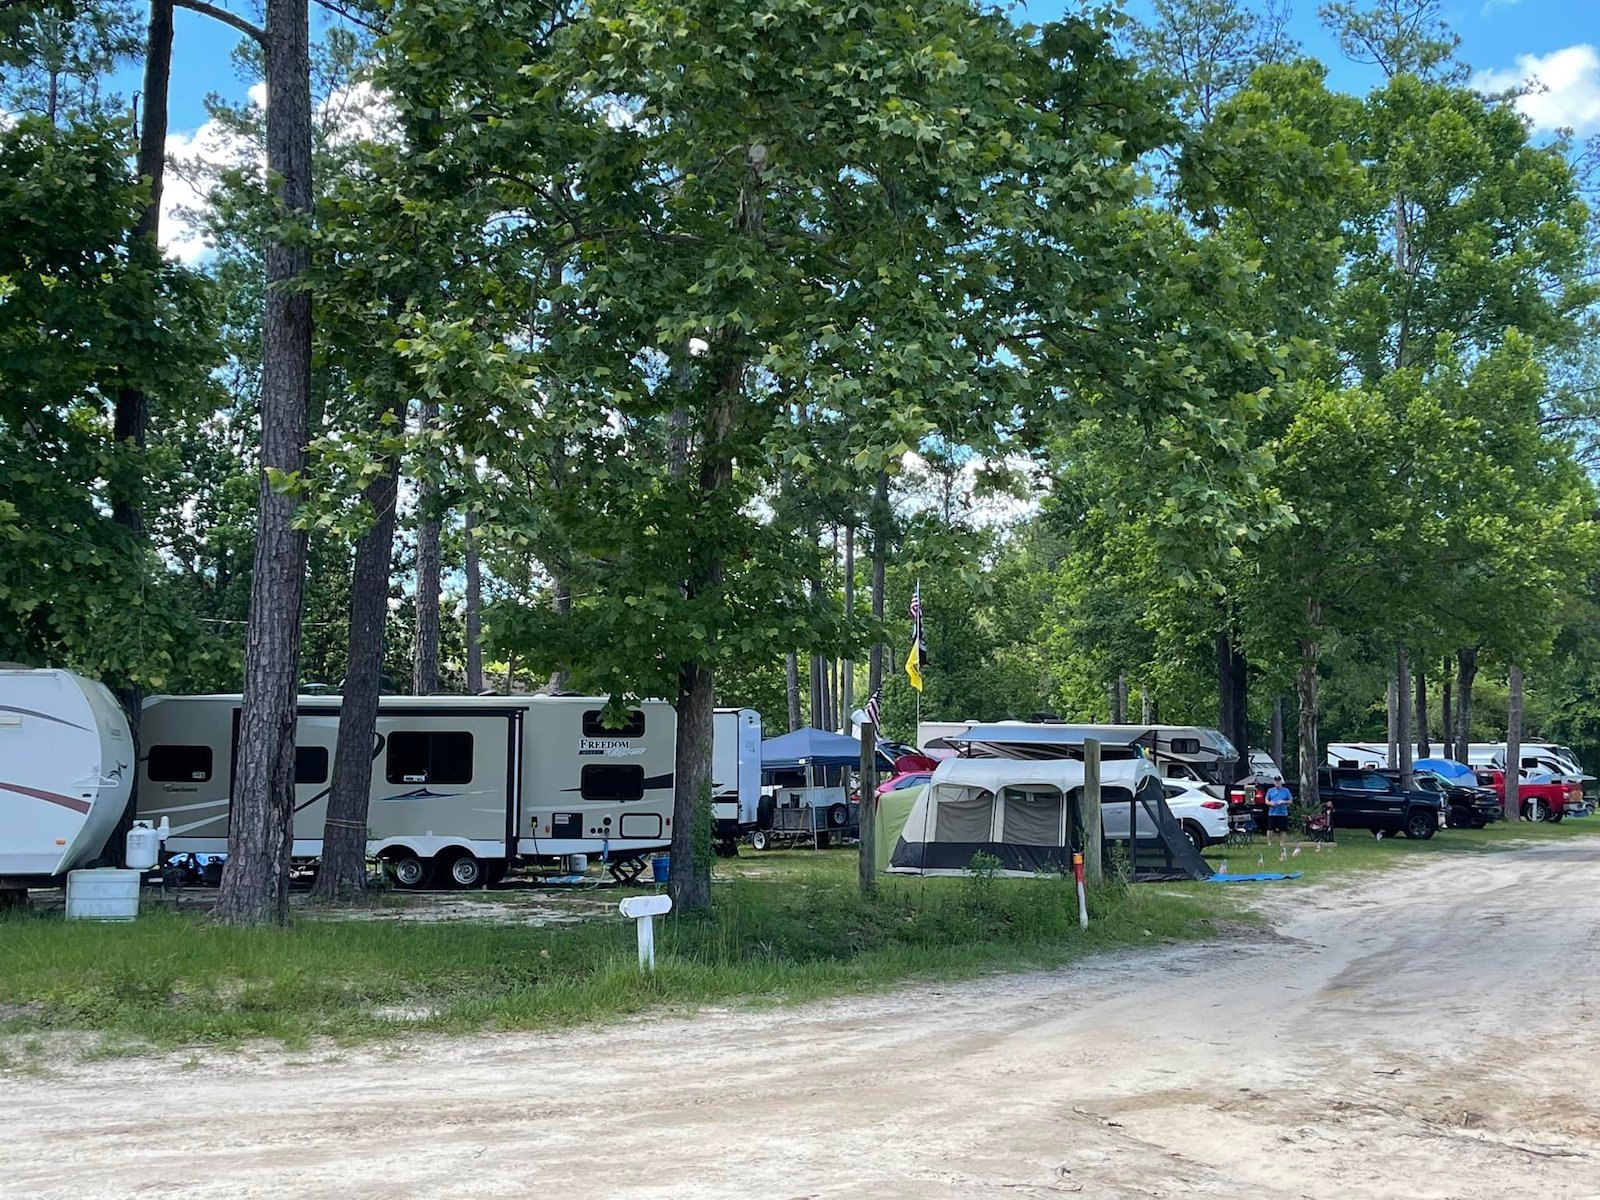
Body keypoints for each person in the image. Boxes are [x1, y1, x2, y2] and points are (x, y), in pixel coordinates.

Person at [1265, 775, 1293, 844]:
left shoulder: (1286, 790)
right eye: (1276, 781)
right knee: (1270, 829)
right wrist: (1270, 803)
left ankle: (1282, 842)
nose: (1277, 782)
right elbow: (1266, 801)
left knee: (1283, 830)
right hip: (1272, 813)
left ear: (1281, 782)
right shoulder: (1270, 790)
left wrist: (1283, 801)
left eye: (1278, 781)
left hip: (1282, 813)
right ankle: (1269, 842)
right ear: (1274, 782)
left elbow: (1290, 801)